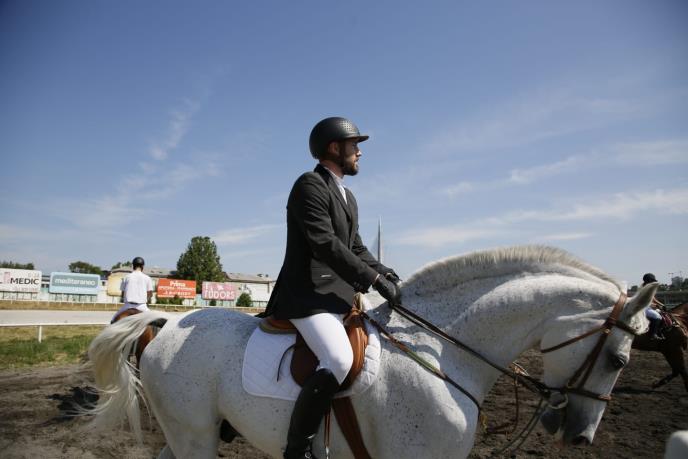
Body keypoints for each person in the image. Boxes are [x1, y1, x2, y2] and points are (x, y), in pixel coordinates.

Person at [264, 116, 402, 459]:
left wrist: (386, 273)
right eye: (355, 145)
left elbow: (355, 247)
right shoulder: (308, 186)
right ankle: (297, 450)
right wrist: (372, 281)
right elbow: (325, 244)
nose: (360, 152)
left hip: (338, 297)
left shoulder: (348, 196)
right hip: (307, 295)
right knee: (339, 359)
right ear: (334, 148)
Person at [111, 257, 154, 323]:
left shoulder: (126, 277)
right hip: (142, 306)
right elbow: (150, 294)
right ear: (142, 266)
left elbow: (122, 294)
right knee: (153, 322)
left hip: (128, 306)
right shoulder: (147, 278)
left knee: (113, 320)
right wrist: (146, 300)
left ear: (133, 265)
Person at [642, 273, 665, 340]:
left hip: (647, 307)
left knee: (662, 314)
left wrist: (662, 305)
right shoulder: (644, 289)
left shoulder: (650, 288)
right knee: (657, 316)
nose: (653, 282)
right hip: (643, 308)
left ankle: (658, 331)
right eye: (652, 281)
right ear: (648, 281)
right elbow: (645, 302)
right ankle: (653, 334)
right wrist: (656, 305)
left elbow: (653, 299)